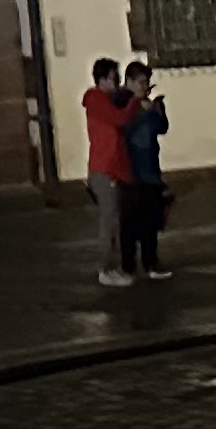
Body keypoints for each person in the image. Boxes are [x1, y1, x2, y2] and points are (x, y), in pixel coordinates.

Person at [81, 57, 136, 288]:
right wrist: (134, 100)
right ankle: (108, 268)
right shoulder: (96, 99)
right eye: (114, 77)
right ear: (102, 79)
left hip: (108, 168)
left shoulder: (101, 100)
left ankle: (113, 266)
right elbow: (119, 119)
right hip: (104, 169)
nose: (117, 82)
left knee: (113, 220)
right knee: (110, 221)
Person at [120, 63, 173, 280]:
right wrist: (142, 112)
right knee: (131, 222)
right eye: (141, 82)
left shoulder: (146, 105)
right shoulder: (122, 102)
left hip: (150, 169)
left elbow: (161, 129)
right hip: (131, 171)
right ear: (130, 82)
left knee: (151, 219)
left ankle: (151, 261)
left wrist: (158, 111)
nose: (145, 87)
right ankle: (128, 265)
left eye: (146, 83)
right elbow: (124, 130)